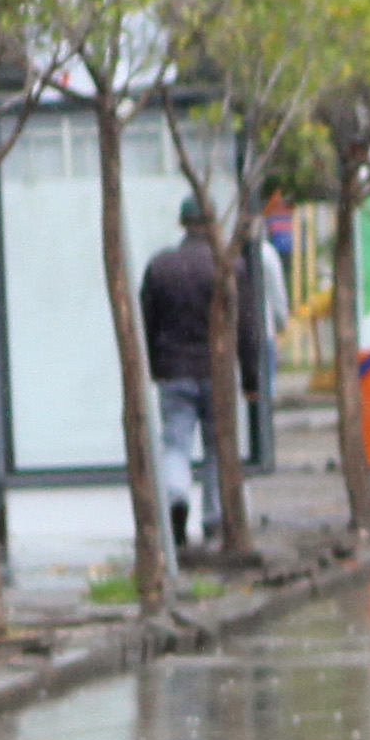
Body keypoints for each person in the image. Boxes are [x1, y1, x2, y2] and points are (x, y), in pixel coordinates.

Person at [134, 197, 227, 550]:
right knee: (218, 448)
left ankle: (176, 497)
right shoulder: (223, 265)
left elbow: (146, 324)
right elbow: (246, 324)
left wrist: (152, 367)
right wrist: (250, 376)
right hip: (215, 370)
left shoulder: (161, 267)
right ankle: (214, 518)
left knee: (175, 442)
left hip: (173, 371)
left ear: (183, 223)